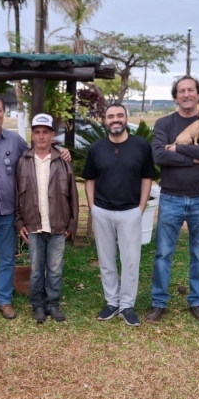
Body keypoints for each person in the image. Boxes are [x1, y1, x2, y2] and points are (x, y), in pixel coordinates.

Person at [0, 94, 70, 324]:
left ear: (3, 113)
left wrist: (61, 150)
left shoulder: (15, 141)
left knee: (7, 259)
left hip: (8, 212)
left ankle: (4, 300)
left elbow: (37, 152)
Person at [147, 76, 199, 324]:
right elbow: (159, 155)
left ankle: (197, 301)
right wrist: (194, 159)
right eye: (182, 91)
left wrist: (178, 149)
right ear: (175, 97)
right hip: (171, 197)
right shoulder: (164, 123)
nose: (187, 94)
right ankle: (159, 302)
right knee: (163, 253)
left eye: (191, 90)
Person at [83, 103, 155, 327]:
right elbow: (89, 179)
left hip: (130, 212)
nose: (115, 119)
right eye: (111, 116)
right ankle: (112, 302)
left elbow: (147, 178)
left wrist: (140, 208)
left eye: (119, 115)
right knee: (106, 260)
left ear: (126, 118)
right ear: (105, 120)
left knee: (131, 261)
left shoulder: (141, 146)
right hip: (102, 211)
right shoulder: (96, 149)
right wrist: (93, 207)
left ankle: (127, 305)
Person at [14, 113, 79, 324]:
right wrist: (19, 222)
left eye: (45, 132)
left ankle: (53, 304)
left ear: (52, 135)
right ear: (32, 135)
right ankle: (38, 306)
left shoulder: (63, 160)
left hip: (58, 226)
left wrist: (72, 223)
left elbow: (73, 194)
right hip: (33, 226)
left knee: (55, 270)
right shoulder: (23, 161)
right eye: (37, 132)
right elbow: (16, 194)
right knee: (35, 270)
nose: (41, 137)